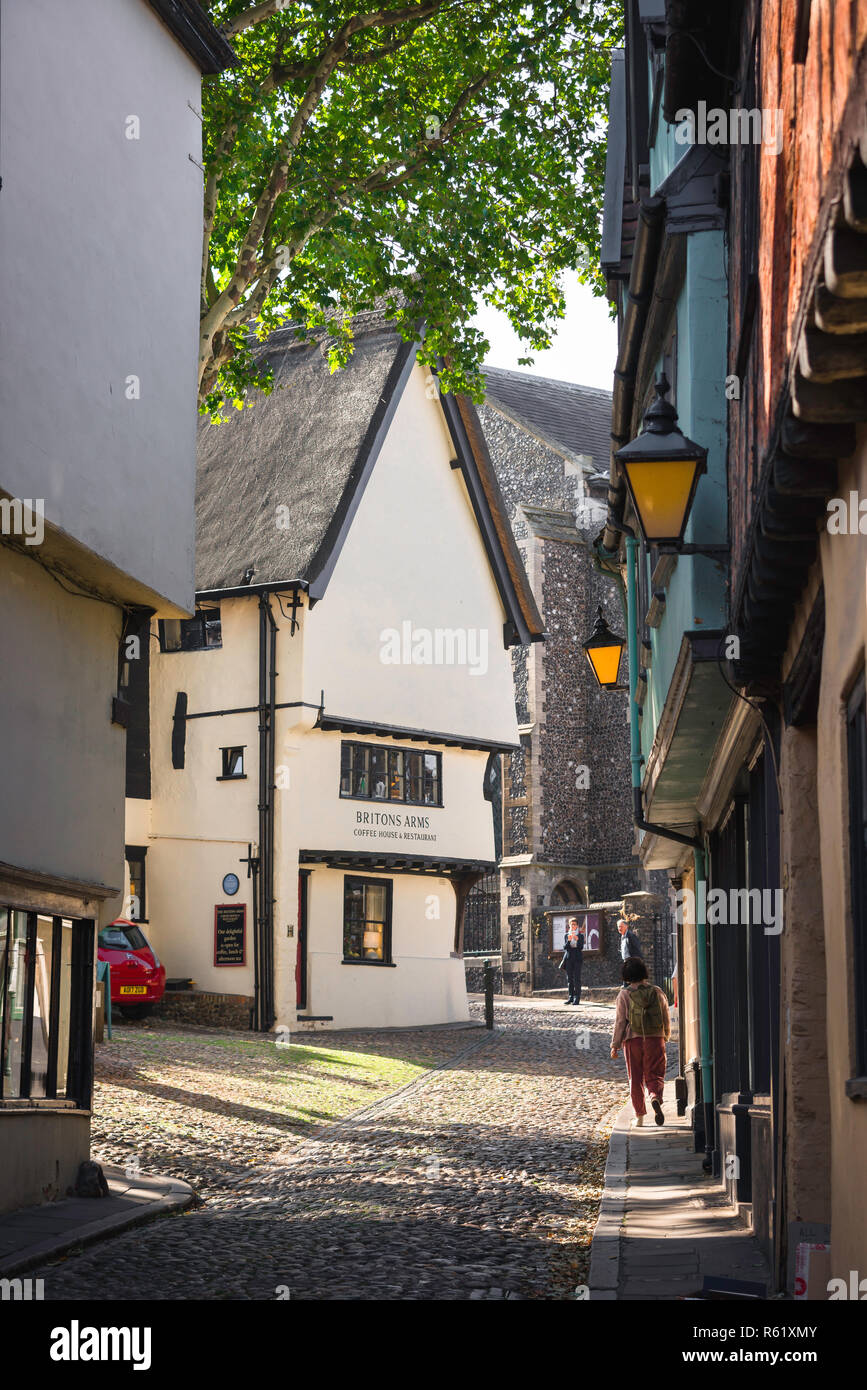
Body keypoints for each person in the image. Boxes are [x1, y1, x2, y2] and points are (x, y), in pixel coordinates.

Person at [610, 956, 671, 1127]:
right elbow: (665, 1014)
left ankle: (640, 1117)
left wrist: (615, 1045)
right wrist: (665, 1034)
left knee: (635, 1078)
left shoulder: (624, 994)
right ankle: (655, 1097)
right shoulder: (657, 991)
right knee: (655, 1073)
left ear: (626, 975)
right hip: (655, 1038)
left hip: (632, 1040)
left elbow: (621, 1021)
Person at [561, 917, 584, 1006]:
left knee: (577, 979)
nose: (573, 926)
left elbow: (581, 947)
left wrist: (577, 940)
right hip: (569, 959)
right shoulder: (566, 935)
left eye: (574, 924)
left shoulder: (580, 936)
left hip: (577, 959)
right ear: (569, 925)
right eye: (571, 924)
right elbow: (565, 948)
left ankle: (577, 998)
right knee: (569, 979)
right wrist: (569, 941)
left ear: (577, 926)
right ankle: (570, 997)